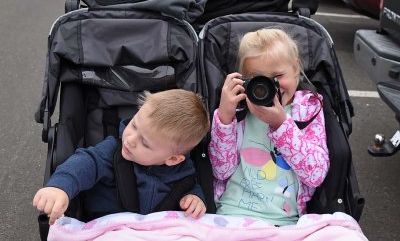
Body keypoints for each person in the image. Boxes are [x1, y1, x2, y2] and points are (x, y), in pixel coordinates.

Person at [33, 89, 210, 225]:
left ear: (172, 159)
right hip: (107, 226)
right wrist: (60, 187)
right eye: (134, 125)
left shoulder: (183, 172)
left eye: (145, 143)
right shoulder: (112, 152)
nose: (130, 139)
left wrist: (195, 198)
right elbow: (84, 164)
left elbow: (190, 186)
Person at [209, 28, 329, 226]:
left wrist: (281, 124)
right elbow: (221, 171)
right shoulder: (238, 111)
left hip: (283, 220)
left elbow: (315, 174)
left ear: (296, 69)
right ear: (244, 79)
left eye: (278, 76)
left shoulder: (308, 109)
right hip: (231, 213)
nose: (271, 87)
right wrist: (224, 117)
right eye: (259, 79)